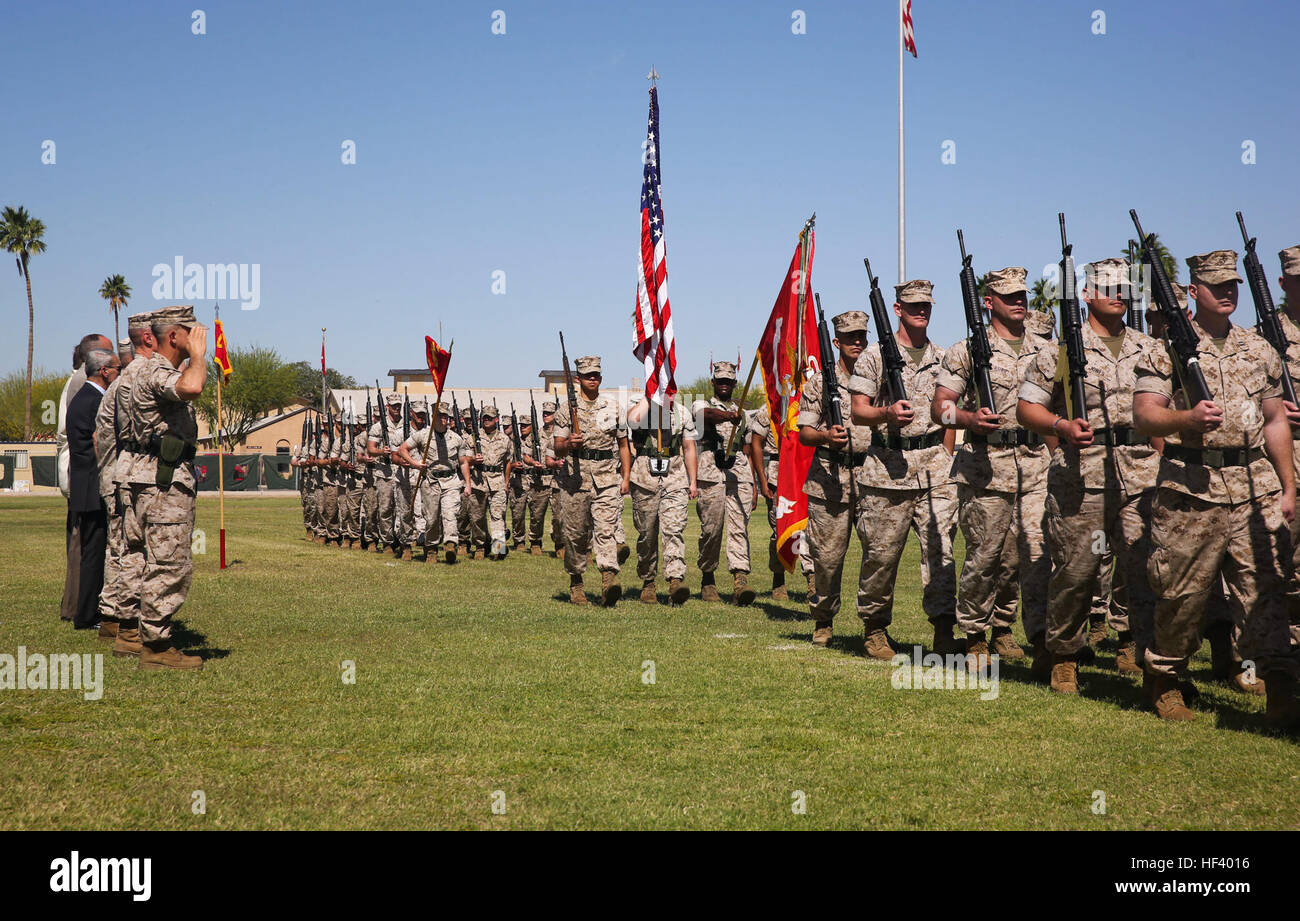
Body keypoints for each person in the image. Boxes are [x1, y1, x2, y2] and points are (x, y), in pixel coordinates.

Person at [1133, 249, 1300, 725]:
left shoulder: (1258, 348)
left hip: (1254, 484)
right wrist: (1185, 418)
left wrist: (1288, 487)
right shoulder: (1162, 348)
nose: (1227, 293)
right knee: (1182, 593)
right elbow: (1144, 413)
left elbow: (1274, 421)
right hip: (1190, 488)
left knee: (1265, 590)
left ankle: (1281, 686)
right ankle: (1166, 678)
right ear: (1193, 291)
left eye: (1233, 286)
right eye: (1216, 286)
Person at [1017, 258, 1162, 693]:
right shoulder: (1060, 351)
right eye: (1107, 287)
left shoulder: (1148, 348)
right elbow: (1027, 409)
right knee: (1076, 572)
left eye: (1124, 286)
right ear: (1085, 295)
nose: (1118, 293)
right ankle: (1063, 655)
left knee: (1145, 570)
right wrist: (1060, 426)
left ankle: (1152, 662)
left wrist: (1164, 464)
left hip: (1139, 477)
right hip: (1081, 479)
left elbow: (1158, 415)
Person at [932, 266, 1053, 674]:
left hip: (1037, 466)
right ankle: (975, 635)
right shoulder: (966, 350)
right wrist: (967, 420)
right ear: (988, 302)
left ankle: (1037, 638)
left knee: (1035, 555)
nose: (1020, 301)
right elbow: (940, 407)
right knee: (987, 558)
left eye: (1023, 295)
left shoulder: (1045, 348)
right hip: (986, 467)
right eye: (1009, 296)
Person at [849, 281, 962, 655]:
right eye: (914, 305)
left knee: (941, 551)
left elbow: (949, 414)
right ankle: (875, 629)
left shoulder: (945, 357)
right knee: (881, 555)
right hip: (887, 470)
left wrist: (945, 455)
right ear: (898, 309)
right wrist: (886, 414)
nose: (921, 311)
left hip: (935, 470)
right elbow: (858, 410)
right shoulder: (873, 357)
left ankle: (944, 630)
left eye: (927, 305)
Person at [118, 306, 208, 670]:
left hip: (147, 474)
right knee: (169, 564)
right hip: (164, 481)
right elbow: (193, 386)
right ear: (174, 336)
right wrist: (199, 356)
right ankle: (156, 647)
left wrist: (193, 358)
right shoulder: (157, 371)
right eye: (190, 332)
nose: (196, 337)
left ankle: (142, 636)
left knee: (147, 559)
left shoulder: (145, 370)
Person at [798, 311, 876, 650]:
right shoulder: (818, 383)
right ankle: (824, 619)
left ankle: (874, 626)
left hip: (873, 476)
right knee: (827, 559)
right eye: (849, 338)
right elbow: (803, 433)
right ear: (836, 343)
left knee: (878, 554)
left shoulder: (879, 378)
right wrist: (826, 436)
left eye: (861, 335)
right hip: (830, 478)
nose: (857, 342)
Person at [94, 311, 156, 644]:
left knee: (117, 549)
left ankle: (113, 620)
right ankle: (121, 622)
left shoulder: (117, 385)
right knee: (125, 551)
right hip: (122, 479)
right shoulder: (127, 385)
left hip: (114, 477)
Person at [553, 356, 631, 606]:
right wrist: (568, 443)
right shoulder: (566, 410)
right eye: (588, 375)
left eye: (596, 374)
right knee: (576, 535)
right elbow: (557, 448)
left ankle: (609, 580)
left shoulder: (613, 407)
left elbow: (623, 445)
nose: (593, 379)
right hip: (575, 481)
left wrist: (626, 477)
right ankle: (576, 583)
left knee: (606, 531)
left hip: (607, 477)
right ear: (578, 379)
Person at [692, 361, 761, 605]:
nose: (724, 385)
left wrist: (753, 485)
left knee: (739, 527)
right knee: (711, 529)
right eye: (720, 381)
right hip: (711, 471)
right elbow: (704, 416)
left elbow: (748, 447)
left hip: (739, 471)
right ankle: (708, 578)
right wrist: (728, 416)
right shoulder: (703, 403)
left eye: (728, 381)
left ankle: (740, 580)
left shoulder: (743, 412)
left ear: (734, 384)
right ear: (713, 383)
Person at [58, 332, 112, 623]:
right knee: (89, 549)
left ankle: (80, 608)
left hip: (79, 476)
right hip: (86, 477)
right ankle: (84, 611)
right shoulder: (89, 392)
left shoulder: (79, 389)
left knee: (85, 547)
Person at [626, 395, 698, 605]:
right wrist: (650, 398)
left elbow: (689, 447)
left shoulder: (682, 413)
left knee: (673, 530)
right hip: (644, 479)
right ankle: (648, 581)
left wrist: (692, 481)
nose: (667, 392)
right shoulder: (641, 408)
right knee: (647, 534)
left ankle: (675, 580)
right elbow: (632, 421)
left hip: (675, 478)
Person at [67, 348, 121, 629]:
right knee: (94, 553)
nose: (118, 374)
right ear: (104, 371)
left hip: (83, 485)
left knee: (92, 551)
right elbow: (99, 442)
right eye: (117, 369)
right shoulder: (95, 401)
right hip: (92, 486)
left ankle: (88, 611)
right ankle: (88, 616)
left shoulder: (82, 398)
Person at [749, 402, 814, 601]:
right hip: (779, 476)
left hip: (806, 472)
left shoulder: (810, 405)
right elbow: (755, 443)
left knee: (809, 530)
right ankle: (778, 578)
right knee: (780, 530)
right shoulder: (768, 407)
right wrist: (762, 480)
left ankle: (812, 579)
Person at [397, 400, 470, 562]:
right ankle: (431, 549)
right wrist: (415, 464)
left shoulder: (456, 438)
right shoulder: (423, 435)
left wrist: (468, 484)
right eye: (440, 416)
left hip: (451, 482)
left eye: (446, 416)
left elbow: (463, 461)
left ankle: (451, 543)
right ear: (434, 417)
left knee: (450, 513)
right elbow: (402, 449)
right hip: (430, 482)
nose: (444, 419)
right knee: (431, 518)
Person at [467, 404, 514, 559]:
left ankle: (498, 548)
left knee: (497, 516)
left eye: (490, 418)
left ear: (496, 419)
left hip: (497, 483)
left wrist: (506, 482)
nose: (487, 420)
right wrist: (473, 459)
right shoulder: (473, 437)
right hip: (478, 481)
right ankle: (480, 545)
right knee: (477, 517)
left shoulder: (505, 439)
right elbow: (464, 459)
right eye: (484, 418)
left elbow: (508, 462)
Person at [368, 392, 406, 557]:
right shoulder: (378, 427)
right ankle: (388, 542)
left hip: (403, 472)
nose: (397, 408)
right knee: (385, 509)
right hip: (385, 472)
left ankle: (403, 540)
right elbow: (370, 449)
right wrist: (381, 452)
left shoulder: (407, 425)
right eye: (394, 405)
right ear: (387, 407)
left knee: (403, 509)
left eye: (399, 405)